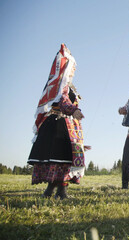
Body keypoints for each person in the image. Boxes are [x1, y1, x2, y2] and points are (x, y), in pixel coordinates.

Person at [28, 44, 90, 200]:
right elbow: (63, 102)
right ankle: (59, 192)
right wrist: (73, 110)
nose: (74, 70)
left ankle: (51, 192)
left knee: (61, 160)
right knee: (60, 159)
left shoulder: (68, 86)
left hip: (67, 126)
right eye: (72, 67)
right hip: (58, 125)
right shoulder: (59, 86)